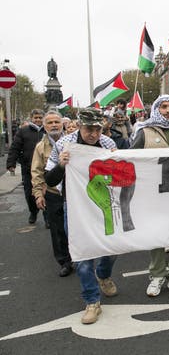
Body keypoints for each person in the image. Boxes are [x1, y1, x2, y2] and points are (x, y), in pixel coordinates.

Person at [45, 108, 118, 325]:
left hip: (102, 205)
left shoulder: (108, 145)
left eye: (97, 129)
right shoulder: (63, 145)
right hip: (75, 207)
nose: (93, 134)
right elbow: (49, 179)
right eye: (89, 129)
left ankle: (103, 274)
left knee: (113, 247)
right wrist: (61, 164)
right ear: (80, 125)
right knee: (83, 255)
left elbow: (121, 174)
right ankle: (92, 301)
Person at [131, 95, 169, 296]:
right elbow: (130, 158)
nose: (168, 110)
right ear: (157, 109)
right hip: (153, 194)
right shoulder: (145, 132)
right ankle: (157, 274)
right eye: (164, 107)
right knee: (156, 233)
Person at [30, 110, 73, 276]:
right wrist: (38, 194)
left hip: (73, 193)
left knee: (75, 227)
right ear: (44, 126)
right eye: (50, 122)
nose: (54, 125)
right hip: (53, 193)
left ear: (62, 123)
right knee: (57, 229)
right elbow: (36, 172)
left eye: (57, 122)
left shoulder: (73, 141)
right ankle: (64, 261)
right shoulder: (40, 147)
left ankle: (79, 255)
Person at [7, 109, 45, 224]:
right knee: (29, 193)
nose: (38, 120)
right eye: (36, 118)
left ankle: (47, 217)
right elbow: (15, 147)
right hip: (28, 168)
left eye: (40, 117)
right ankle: (33, 212)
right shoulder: (23, 131)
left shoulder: (47, 130)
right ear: (31, 118)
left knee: (47, 193)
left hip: (46, 169)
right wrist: (11, 163)